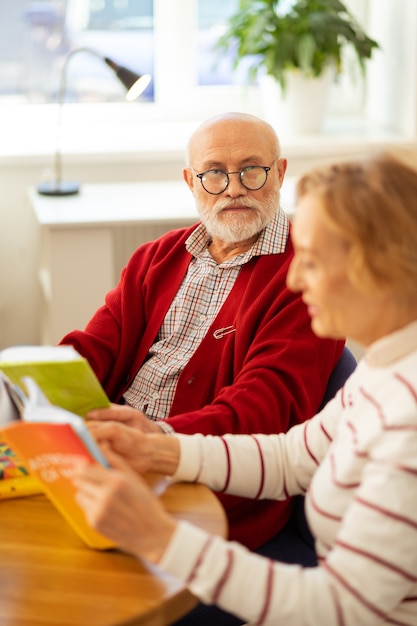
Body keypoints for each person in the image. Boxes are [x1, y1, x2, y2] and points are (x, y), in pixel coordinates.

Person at [74, 148, 417, 625]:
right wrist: (159, 446)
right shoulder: (387, 366)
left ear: (379, 266)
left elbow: (343, 609)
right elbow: (293, 458)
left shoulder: (409, 420)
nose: (295, 276)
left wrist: (162, 539)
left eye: (312, 260)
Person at [60, 111, 343, 551]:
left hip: (207, 490)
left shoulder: (307, 276)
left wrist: (158, 440)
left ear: (280, 173)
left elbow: (265, 410)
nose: (233, 187)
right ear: (191, 181)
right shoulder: (155, 257)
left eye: (252, 169)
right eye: (214, 173)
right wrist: (30, 381)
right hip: (114, 459)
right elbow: (93, 348)